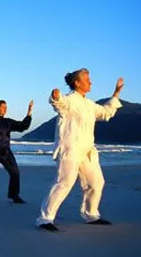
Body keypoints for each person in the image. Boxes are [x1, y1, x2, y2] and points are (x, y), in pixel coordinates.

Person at [36, 69, 124, 231]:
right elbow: (60, 103)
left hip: (87, 151)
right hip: (70, 149)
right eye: (87, 79)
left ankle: (91, 214)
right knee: (64, 182)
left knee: (96, 182)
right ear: (77, 83)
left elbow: (106, 113)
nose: (90, 82)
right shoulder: (70, 100)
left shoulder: (89, 104)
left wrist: (116, 93)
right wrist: (56, 97)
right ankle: (45, 218)